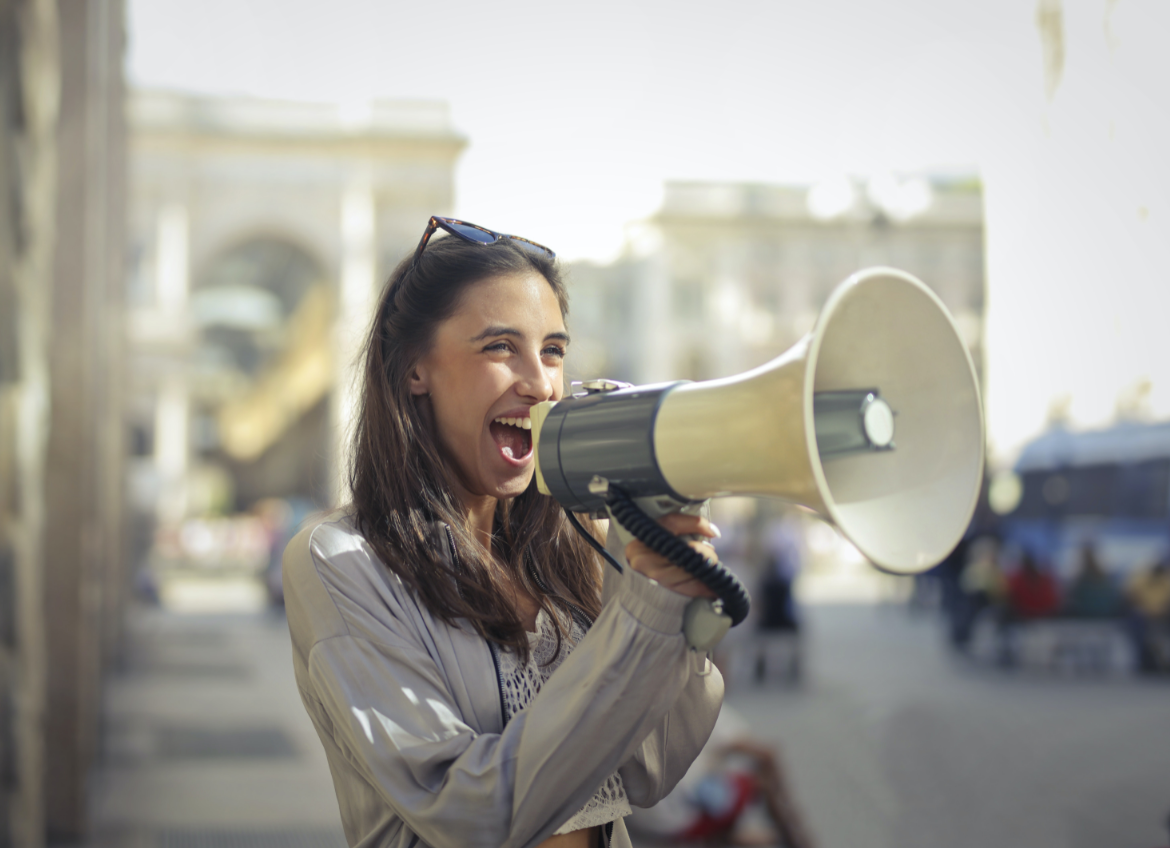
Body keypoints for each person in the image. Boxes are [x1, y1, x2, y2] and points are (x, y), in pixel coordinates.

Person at [282, 218, 724, 848]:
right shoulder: (341, 561)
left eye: (552, 350)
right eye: (499, 348)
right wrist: (640, 620)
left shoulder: (575, 543)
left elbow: (649, 768)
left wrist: (673, 607)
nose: (541, 383)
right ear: (414, 370)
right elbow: (468, 815)